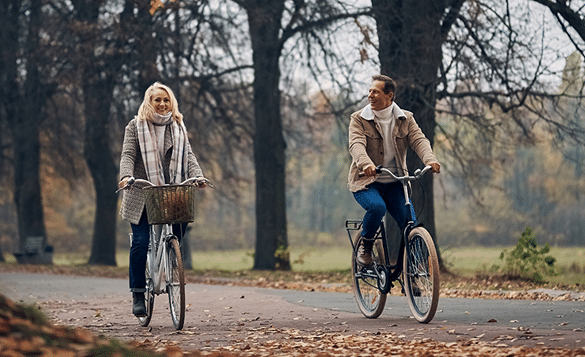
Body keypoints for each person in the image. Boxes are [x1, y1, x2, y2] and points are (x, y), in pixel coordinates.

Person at [118, 82, 207, 316]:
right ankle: (138, 291)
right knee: (140, 242)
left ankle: (170, 253)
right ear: (149, 101)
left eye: (166, 100)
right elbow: (128, 154)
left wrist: (197, 176)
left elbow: (188, 155)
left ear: (172, 103)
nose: (162, 104)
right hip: (142, 191)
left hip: (171, 191)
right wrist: (127, 176)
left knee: (178, 231)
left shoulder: (177, 126)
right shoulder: (135, 126)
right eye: (157, 99)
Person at [348, 75, 441, 266]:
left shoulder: (406, 118)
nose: (370, 95)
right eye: (369, 91)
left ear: (389, 96)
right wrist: (365, 163)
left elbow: (419, 140)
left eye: (375, 92)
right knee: (377, 207)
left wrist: (430, 159)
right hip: (367, 183)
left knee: (410, 226)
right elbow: (356, 144)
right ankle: (366, 245)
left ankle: (414, 274)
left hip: (395, 184)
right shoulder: (359, 119)